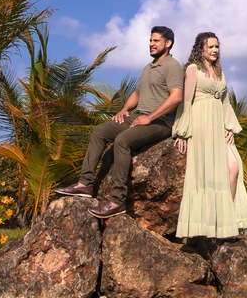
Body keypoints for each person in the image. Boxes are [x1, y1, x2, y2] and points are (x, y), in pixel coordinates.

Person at [56, 26, 184, 219]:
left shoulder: (172, 66)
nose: (151, 44)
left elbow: (176, 97)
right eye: (150, 40)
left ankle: (117, 202)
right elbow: (137, 93)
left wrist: (149, 118)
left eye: (156, 41)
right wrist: (125, 110)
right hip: (138, 115)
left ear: (168, 43)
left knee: (122, 141)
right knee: (99, 131)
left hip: (160, 122)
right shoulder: (148, 68)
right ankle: (85, 185)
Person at [171, 33, 247, 238]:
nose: (215, 50)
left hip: (218, 124)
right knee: (205, 175)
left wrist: (229, 128)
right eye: (211, 47)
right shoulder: (192, 69)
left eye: (217, 46)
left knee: (233, 167)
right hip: (200, 123)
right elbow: (186, 101)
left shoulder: (220, 71)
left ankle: (228, 222)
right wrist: (182, 132)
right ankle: (206, 226)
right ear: (201, 49)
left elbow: (225, 102)